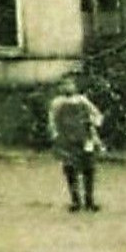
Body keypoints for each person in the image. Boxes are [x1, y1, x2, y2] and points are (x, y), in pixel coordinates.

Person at [49, 73, 105, 213]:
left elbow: (97, 115)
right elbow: (52, 121)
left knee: (89, 169)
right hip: (67, 140)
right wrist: (56, 135)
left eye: (70, 84)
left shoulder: (82, 100)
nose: (67, 87)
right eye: (64, 84)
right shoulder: (57, 103)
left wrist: (93, 123)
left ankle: (89, 201)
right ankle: (75, 201)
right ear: (60, 87)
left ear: (75, 85)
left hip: (84, 138)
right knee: (70, 170)